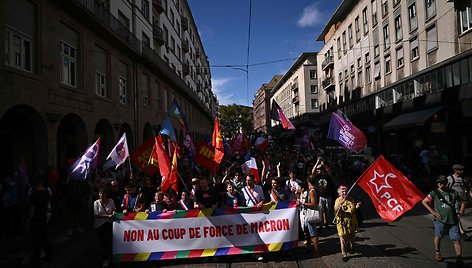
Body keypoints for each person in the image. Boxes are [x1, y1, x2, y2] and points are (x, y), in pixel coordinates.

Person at [421, 175, 466, 265]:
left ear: (446, 183)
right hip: (440, 220)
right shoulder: (434, 193)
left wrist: (460, 213)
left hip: (453, 220)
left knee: (457, 240)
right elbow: (424, 201)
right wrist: (432, 211)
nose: (440, 184)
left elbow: (463, 202)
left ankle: (459, 257)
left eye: (442, 182)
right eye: (439, 182)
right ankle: (437, 252)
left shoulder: (453, 192)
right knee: (438, 236)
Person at [27, 177, 52, 264]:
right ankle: (48, 255)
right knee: (45, 238)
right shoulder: (46, 192)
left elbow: (32, 210)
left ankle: (36, 259)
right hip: (43, 217)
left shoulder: (34, 195)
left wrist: (28, 221)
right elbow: (48, 203)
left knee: (36, 240)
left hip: (36, 219)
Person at [334, 185, 361, 262]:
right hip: (342, 223)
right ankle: (344, 254)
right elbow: (335, 209)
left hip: (352, 222)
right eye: (343, 191)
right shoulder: (337, 200)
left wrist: (356, 207)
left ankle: (351, 247)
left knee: (352, 237)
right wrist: (340, 203)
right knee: (343, 238)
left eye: (345, 191)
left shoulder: (351, 199)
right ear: (339, 193)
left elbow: (353, 209)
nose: (344, 193)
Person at [93, 187, 116, 267]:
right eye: (100, 193)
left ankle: (107, 258)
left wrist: (113, 213)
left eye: (103, 193)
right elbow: (96, 214)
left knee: (107, 241)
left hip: (108, 224)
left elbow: (113, 209)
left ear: (106, 194)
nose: (101, 195)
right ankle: (104, 257)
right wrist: (107, 215)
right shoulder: (96, 203)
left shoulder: (111, 201)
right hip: (99, 225)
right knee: (102, 242)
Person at [299, 178, 320, 257]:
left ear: (309, 183)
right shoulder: (315, 190)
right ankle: (309, 248)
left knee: (313, 233)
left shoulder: (311, 191)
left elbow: (313, 204)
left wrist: (302, 203)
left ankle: (317, 252)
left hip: (310, 214)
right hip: (308, 214)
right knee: (308, 232)